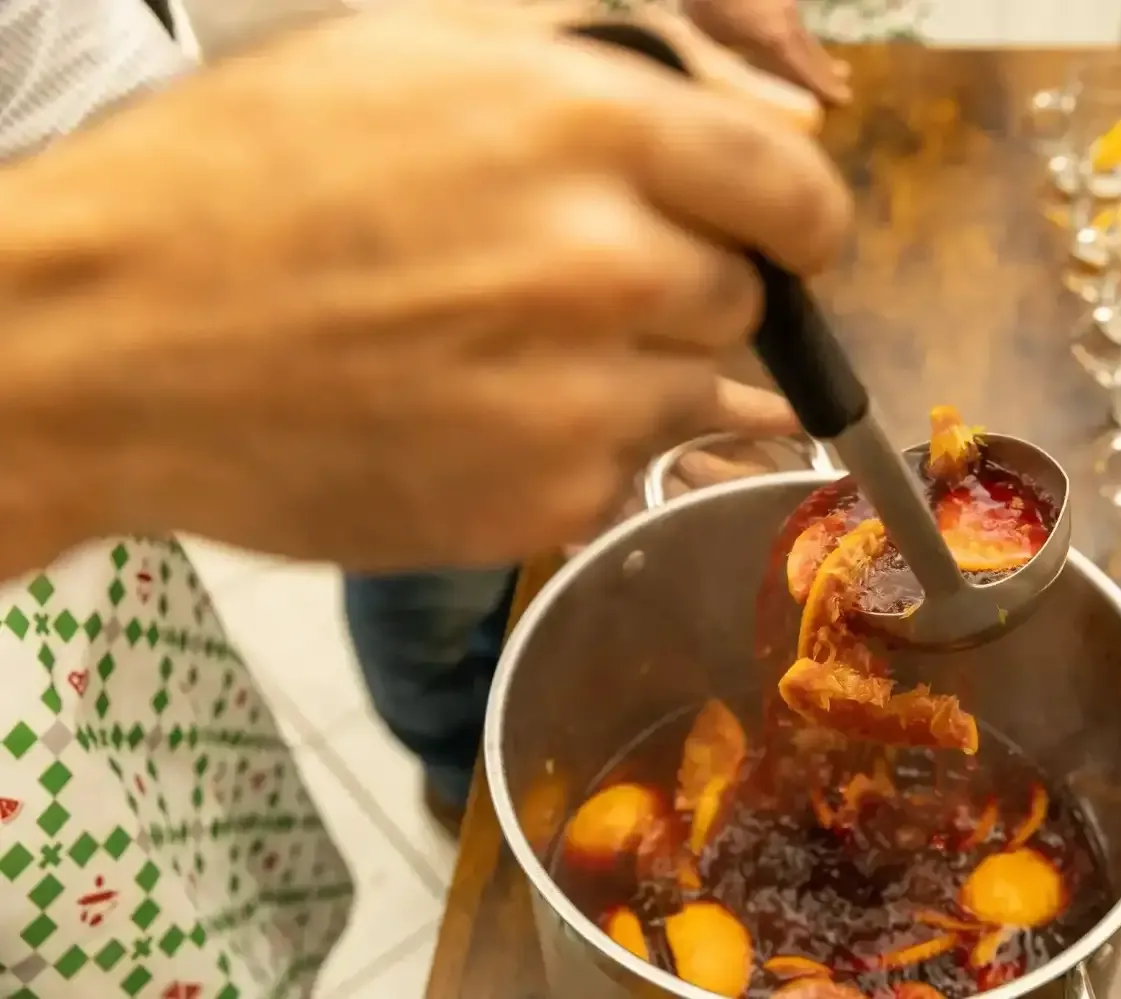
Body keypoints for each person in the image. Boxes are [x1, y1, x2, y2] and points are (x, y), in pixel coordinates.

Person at [0, 1, 849, 995]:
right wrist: (77, 339)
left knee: (188, 897)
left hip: (72, 627)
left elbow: (44, 59)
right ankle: (454, 780)